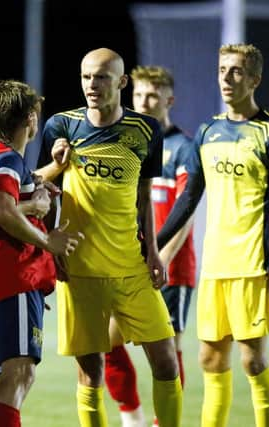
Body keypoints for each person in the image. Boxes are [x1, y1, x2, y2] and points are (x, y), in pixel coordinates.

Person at [39, 48, 182, 427]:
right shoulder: (61, 125)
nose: (92, 85)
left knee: (166, 361)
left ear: (121, 82)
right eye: (86, 77)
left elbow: (144, 197)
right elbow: (38, 188)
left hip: (131, 266)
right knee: (90, 374)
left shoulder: (145, 130)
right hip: (79, 268)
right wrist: (57, 165)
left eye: (101, 77)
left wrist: (153, 252)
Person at [157, 43, 269, 427]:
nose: (227, 78)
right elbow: (189, 197)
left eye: (236, 71)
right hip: (214, 264)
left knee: (252, 361)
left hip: (251, 265)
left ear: (255, 79)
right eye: (222, 70)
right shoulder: (207, 131)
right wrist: (154, 244)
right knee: (210, 359)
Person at [0, 79, 82, 427]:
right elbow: (2, 209)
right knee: (19, 375)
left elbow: (19, 188)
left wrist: (54, 169)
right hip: (11, 277)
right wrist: (49, 243)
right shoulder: (5, 159)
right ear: (31, 119)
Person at [104, 65, 197, 427]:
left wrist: (163, 260)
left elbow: (186, 211)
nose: (144, 102)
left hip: (171, 269)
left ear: (168, 100)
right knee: (104, 343)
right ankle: (133, 418)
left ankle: (163, 423)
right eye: (139, 95)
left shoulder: (183, 147)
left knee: (168, 353)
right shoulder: (126, 144)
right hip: (126, 263)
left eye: (153, 96)